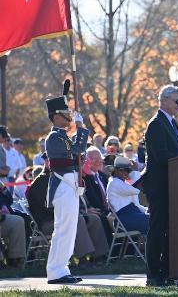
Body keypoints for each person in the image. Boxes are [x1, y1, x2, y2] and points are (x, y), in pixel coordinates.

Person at [44, 94, 89, 284]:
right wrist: (81, 129)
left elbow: (77, 155)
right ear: (55, 117)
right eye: (65, 114)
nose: (69, 118)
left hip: (69, 184)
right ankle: (55, 271)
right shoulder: (54, 137)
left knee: (69, 230)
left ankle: (62, 269)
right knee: (63, 229)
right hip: (62, 184)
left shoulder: (62, 136)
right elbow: (77, 150)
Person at [143, 84, 178, 287]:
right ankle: (153, 274)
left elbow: (176, 153)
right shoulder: (156, 124)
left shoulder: (172, 123)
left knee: (170, 229)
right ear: (164, 100)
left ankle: (167, 270)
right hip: (159, 185)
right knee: (158, 228)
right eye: (177, 101)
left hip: (172, 183)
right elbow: (161, 156)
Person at [107, 156, 149, 233]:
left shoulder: (124, 184)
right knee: (153, 221)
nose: (125, 173)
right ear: (115, 170)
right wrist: (135, 171)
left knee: (155, 218)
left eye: (128, 170)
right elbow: (136, 190)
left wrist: (147, 210)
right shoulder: (114, 182)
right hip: (123, 220)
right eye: (121, 170)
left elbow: (137, 206)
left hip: (131, 215)